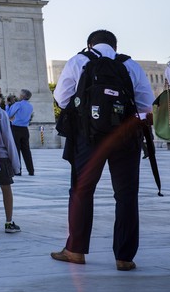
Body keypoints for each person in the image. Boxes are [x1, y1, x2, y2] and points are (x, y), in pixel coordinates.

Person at [50, 30, 152, 271]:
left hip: (89, 135)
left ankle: (75, 251)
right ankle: (124, 257)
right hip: (125, 136)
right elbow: (146, 104)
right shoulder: (130, 65)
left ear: (90, 44)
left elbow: (62, 98)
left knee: (82, 191)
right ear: (115, 46)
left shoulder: (79, 61)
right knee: (126, 194)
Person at [0, 84, 22, 233]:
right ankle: (9, 222)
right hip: (2, 156)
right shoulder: (0, 113)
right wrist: (16, 164)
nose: (1, 98)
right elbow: (8, 139)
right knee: (6, 188)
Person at [6, 89, 34, 175]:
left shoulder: (18, 104)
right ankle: (31, 170)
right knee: (26, 150)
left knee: (16, 150)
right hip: (25, 129)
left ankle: (18, 171)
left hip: (16, 128)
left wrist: (7, 105)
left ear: (22, 96)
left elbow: (9, 115)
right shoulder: (30, 106)